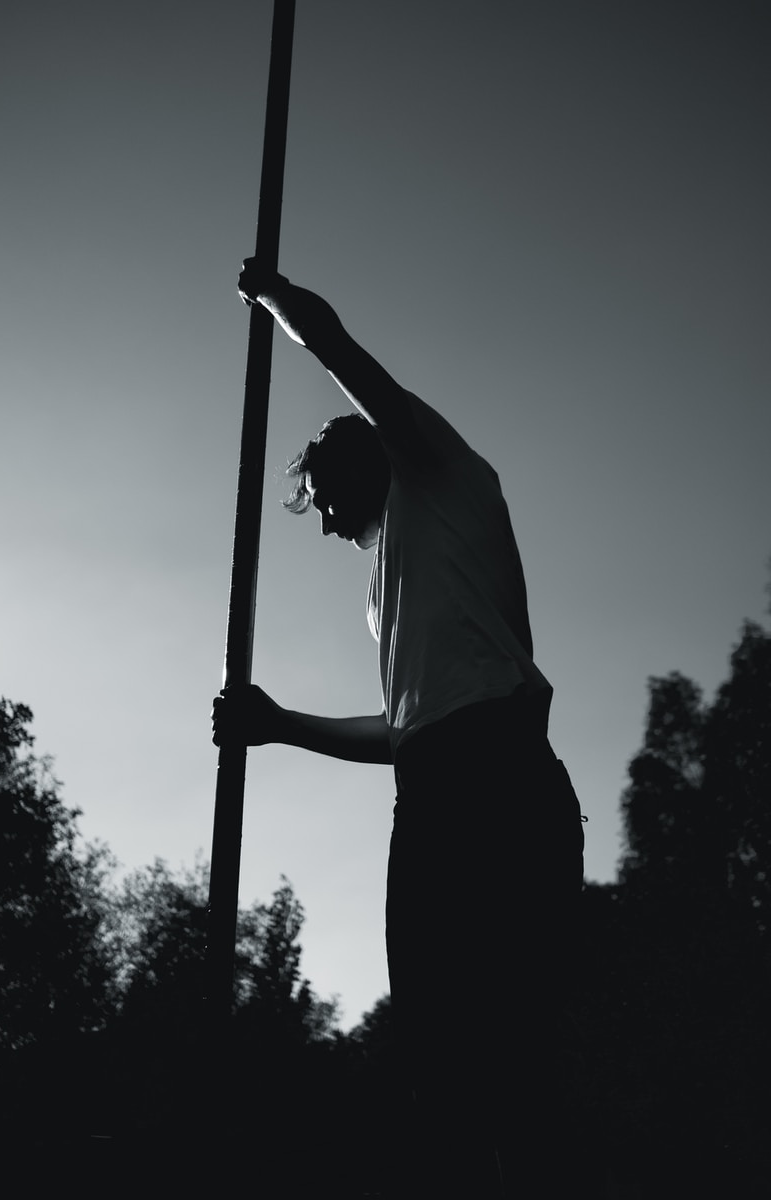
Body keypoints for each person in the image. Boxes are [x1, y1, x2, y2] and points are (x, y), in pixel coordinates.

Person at [212, 258, 585, 1197]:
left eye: (328, 505)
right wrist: (280, 725)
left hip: (500, 777)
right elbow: (404, 729)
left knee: (523, 1048)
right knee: (440, 1062)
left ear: (359, 463)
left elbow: (343, 353)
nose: (331, 529)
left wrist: (275, 300)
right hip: (428, 793)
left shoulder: (439, 472)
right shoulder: (393, 596)